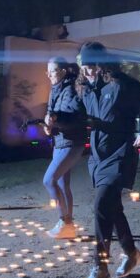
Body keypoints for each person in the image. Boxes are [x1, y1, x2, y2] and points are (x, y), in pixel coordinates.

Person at [75, 41, 140, 278]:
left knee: (102, 204)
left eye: (93, 64)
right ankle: (131, 253)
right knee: (112, 207)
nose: (89, 70)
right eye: (85, 65)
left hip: (120, 152)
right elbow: (80, 114)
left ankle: (100, 268)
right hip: (98, 154)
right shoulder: (85, 88)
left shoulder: (122, 84)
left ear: (103, 63)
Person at [42, 57, 87, 239]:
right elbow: (53, 113)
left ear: (63, 71)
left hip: (71, 142)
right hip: (60, 141)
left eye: (52, 71)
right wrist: (49, 125)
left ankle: (64, 222)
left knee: (49, 180)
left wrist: (55, 119)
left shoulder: (70, 89)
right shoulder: (57, 88)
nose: (49, 75)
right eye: (47, 71)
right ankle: (69, 226)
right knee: (62, 183)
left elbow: (73, 117)